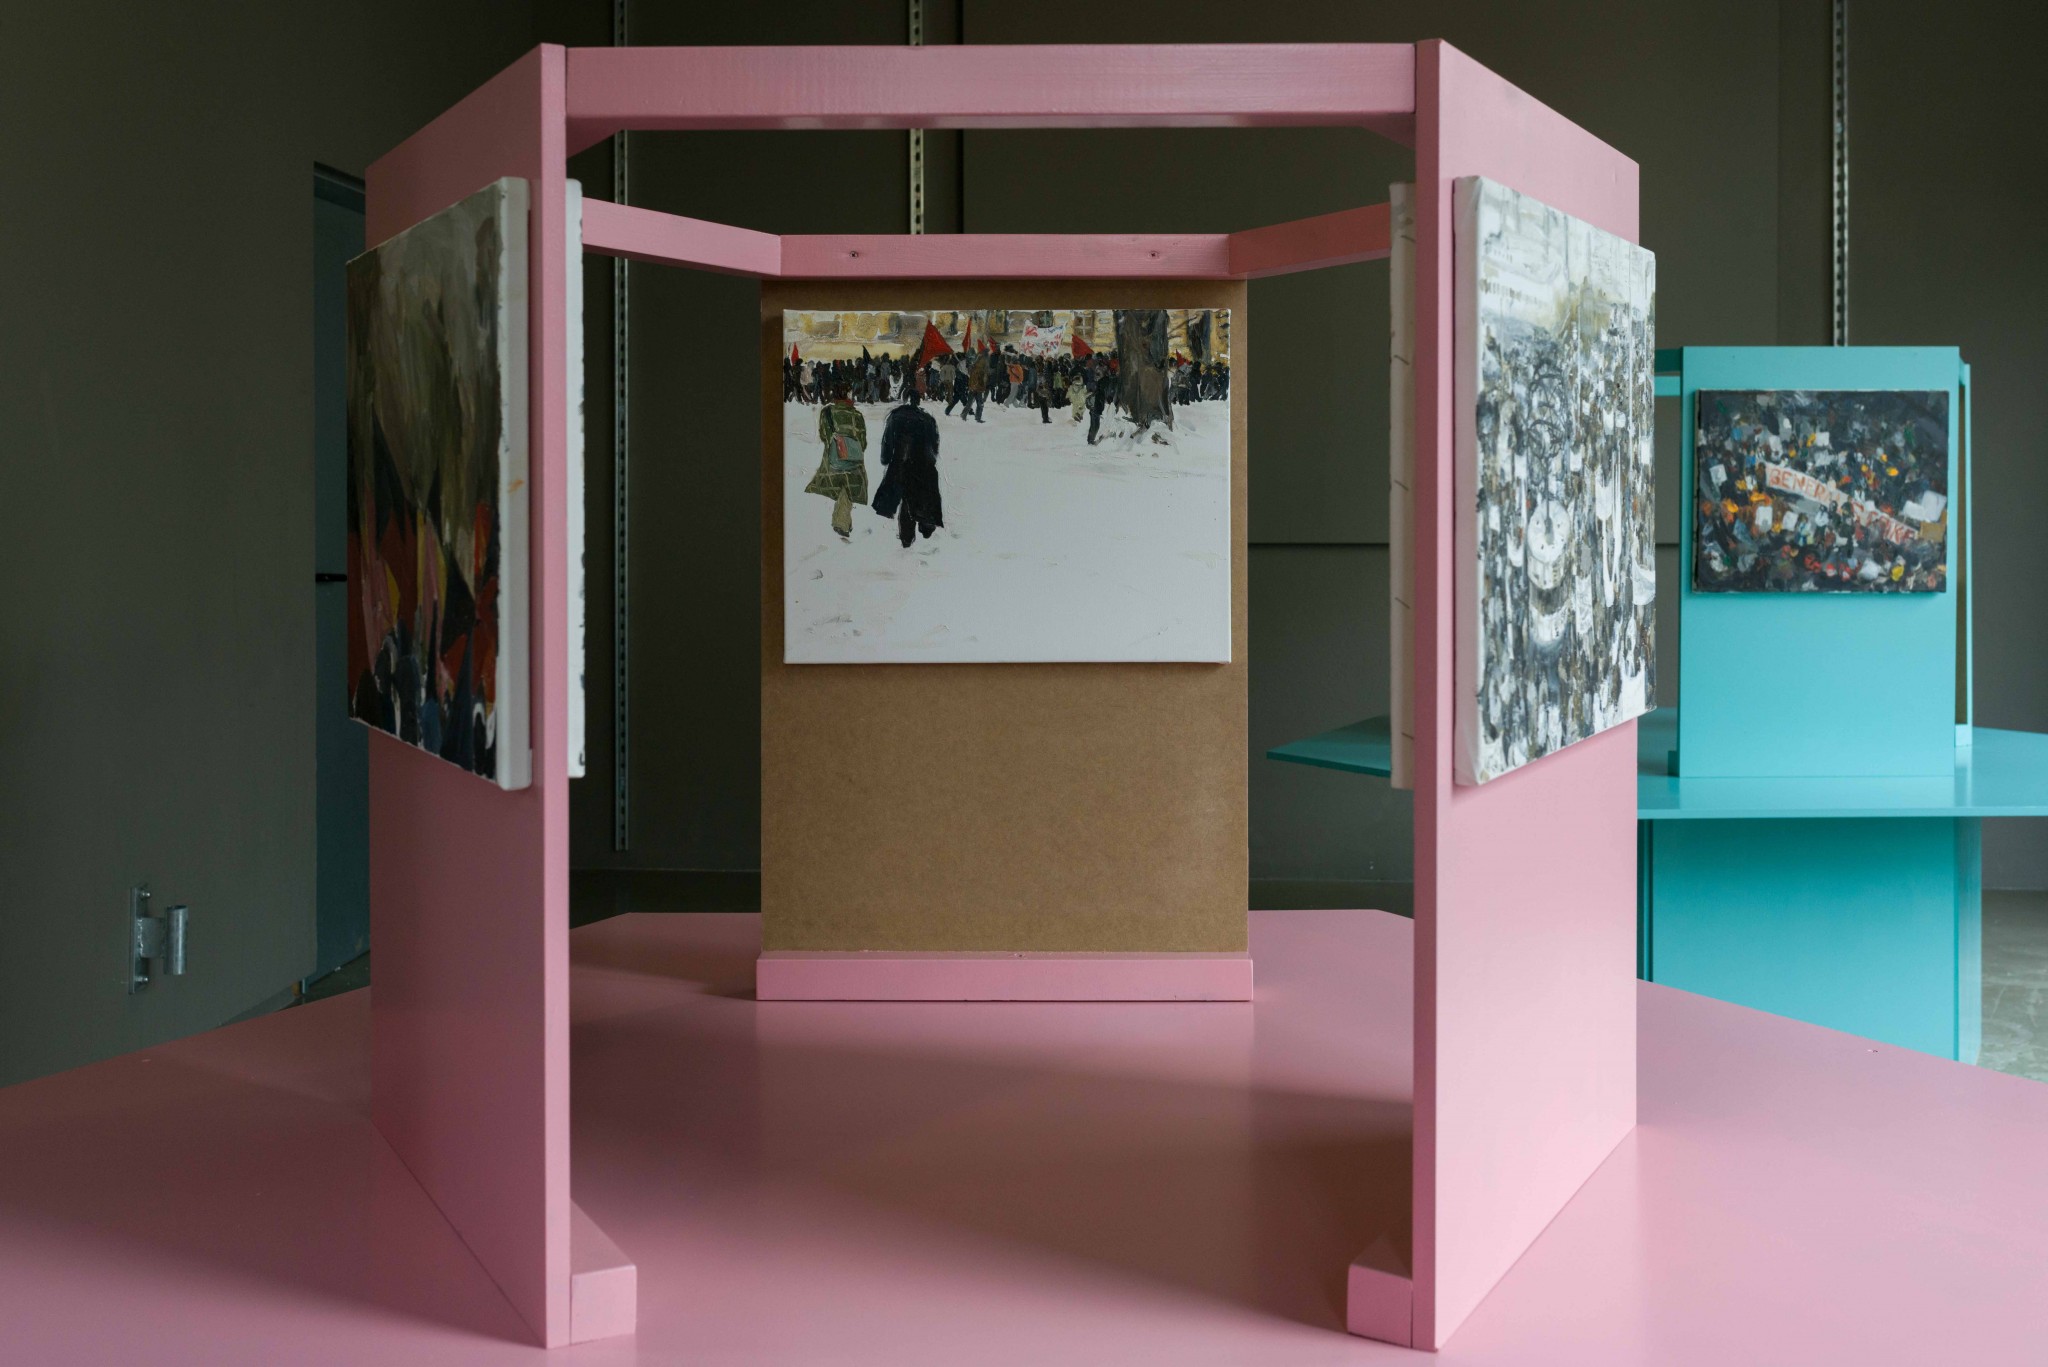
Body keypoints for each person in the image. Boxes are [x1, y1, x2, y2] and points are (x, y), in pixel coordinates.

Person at [871, 387, 943, 548]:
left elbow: (887, 441)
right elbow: (934, 445)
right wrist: (930, 459)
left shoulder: (895, 416)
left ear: (905, 399)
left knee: (906, 497)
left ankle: (907, 536)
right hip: (923, 465)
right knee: (921, 497)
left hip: (901, 463)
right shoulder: (927, 419)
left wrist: (885, 458)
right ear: (918, 401)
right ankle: (924, 526)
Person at [804, 384, 869, 540]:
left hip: (832, 459)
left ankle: (842, 521)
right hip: (853, 461)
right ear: (848, 394)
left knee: (838, 487)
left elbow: (824, 435)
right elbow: (863, 442)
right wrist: (851, 449)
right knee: (847, 488)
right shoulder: (857, 415)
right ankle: (841, 522)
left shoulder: (827, 412)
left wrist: (836, 445)